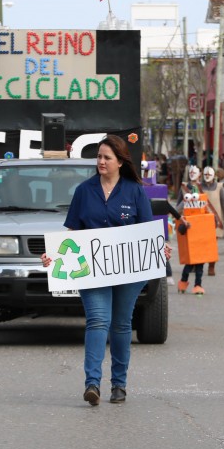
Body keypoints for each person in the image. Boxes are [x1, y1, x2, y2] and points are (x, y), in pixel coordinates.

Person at [41, 136, 172, 405]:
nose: (101, 161)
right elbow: (73, 232)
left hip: (128, 271)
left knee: (121, 324)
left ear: (120, 162)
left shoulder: (135, 191)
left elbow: (147, 232)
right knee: (98, 321)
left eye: (107, 157)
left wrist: (161, 248)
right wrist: (54, 256)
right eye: (99, 156)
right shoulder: (84, 191)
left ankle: (119, 385)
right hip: (92, 270)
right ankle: (92, 384)